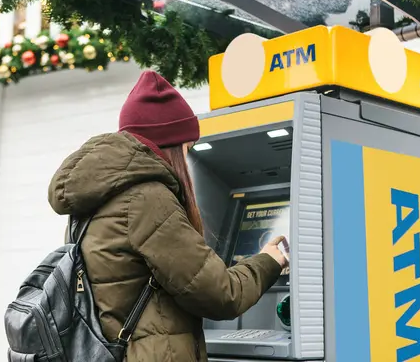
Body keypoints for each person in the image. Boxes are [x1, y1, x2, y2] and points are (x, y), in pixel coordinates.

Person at [47, 70, 288, 362]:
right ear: (170, 146)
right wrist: (270, 260)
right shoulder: (147, 199)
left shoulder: (96, 198)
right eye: (187, 148)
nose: (188, 158)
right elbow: (222, 294)